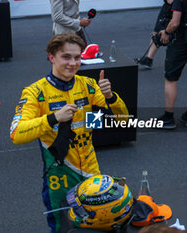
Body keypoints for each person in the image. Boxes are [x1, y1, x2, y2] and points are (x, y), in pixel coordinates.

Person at [9, 33, 128, 233]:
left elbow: (123, 121)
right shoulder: (35, 92)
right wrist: (53, 118)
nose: (73, 63)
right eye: (66, 57)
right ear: (51, 57)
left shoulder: (89, 86)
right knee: (63, 228)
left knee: (101, 224)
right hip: (60, 178)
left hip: (92, 174)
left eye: (77, 57)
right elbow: (16, 134)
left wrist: (111, 97)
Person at [156, 0, 187, 129]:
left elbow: (175, 23)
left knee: (170, 79)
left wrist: (166, 33)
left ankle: (169, 117)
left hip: (181, 42)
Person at [136, 0, 173, 69]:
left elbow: (170, 1)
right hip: (168, 8)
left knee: (173, 34)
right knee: (156, 33)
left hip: (174, 9)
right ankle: (149, 59)